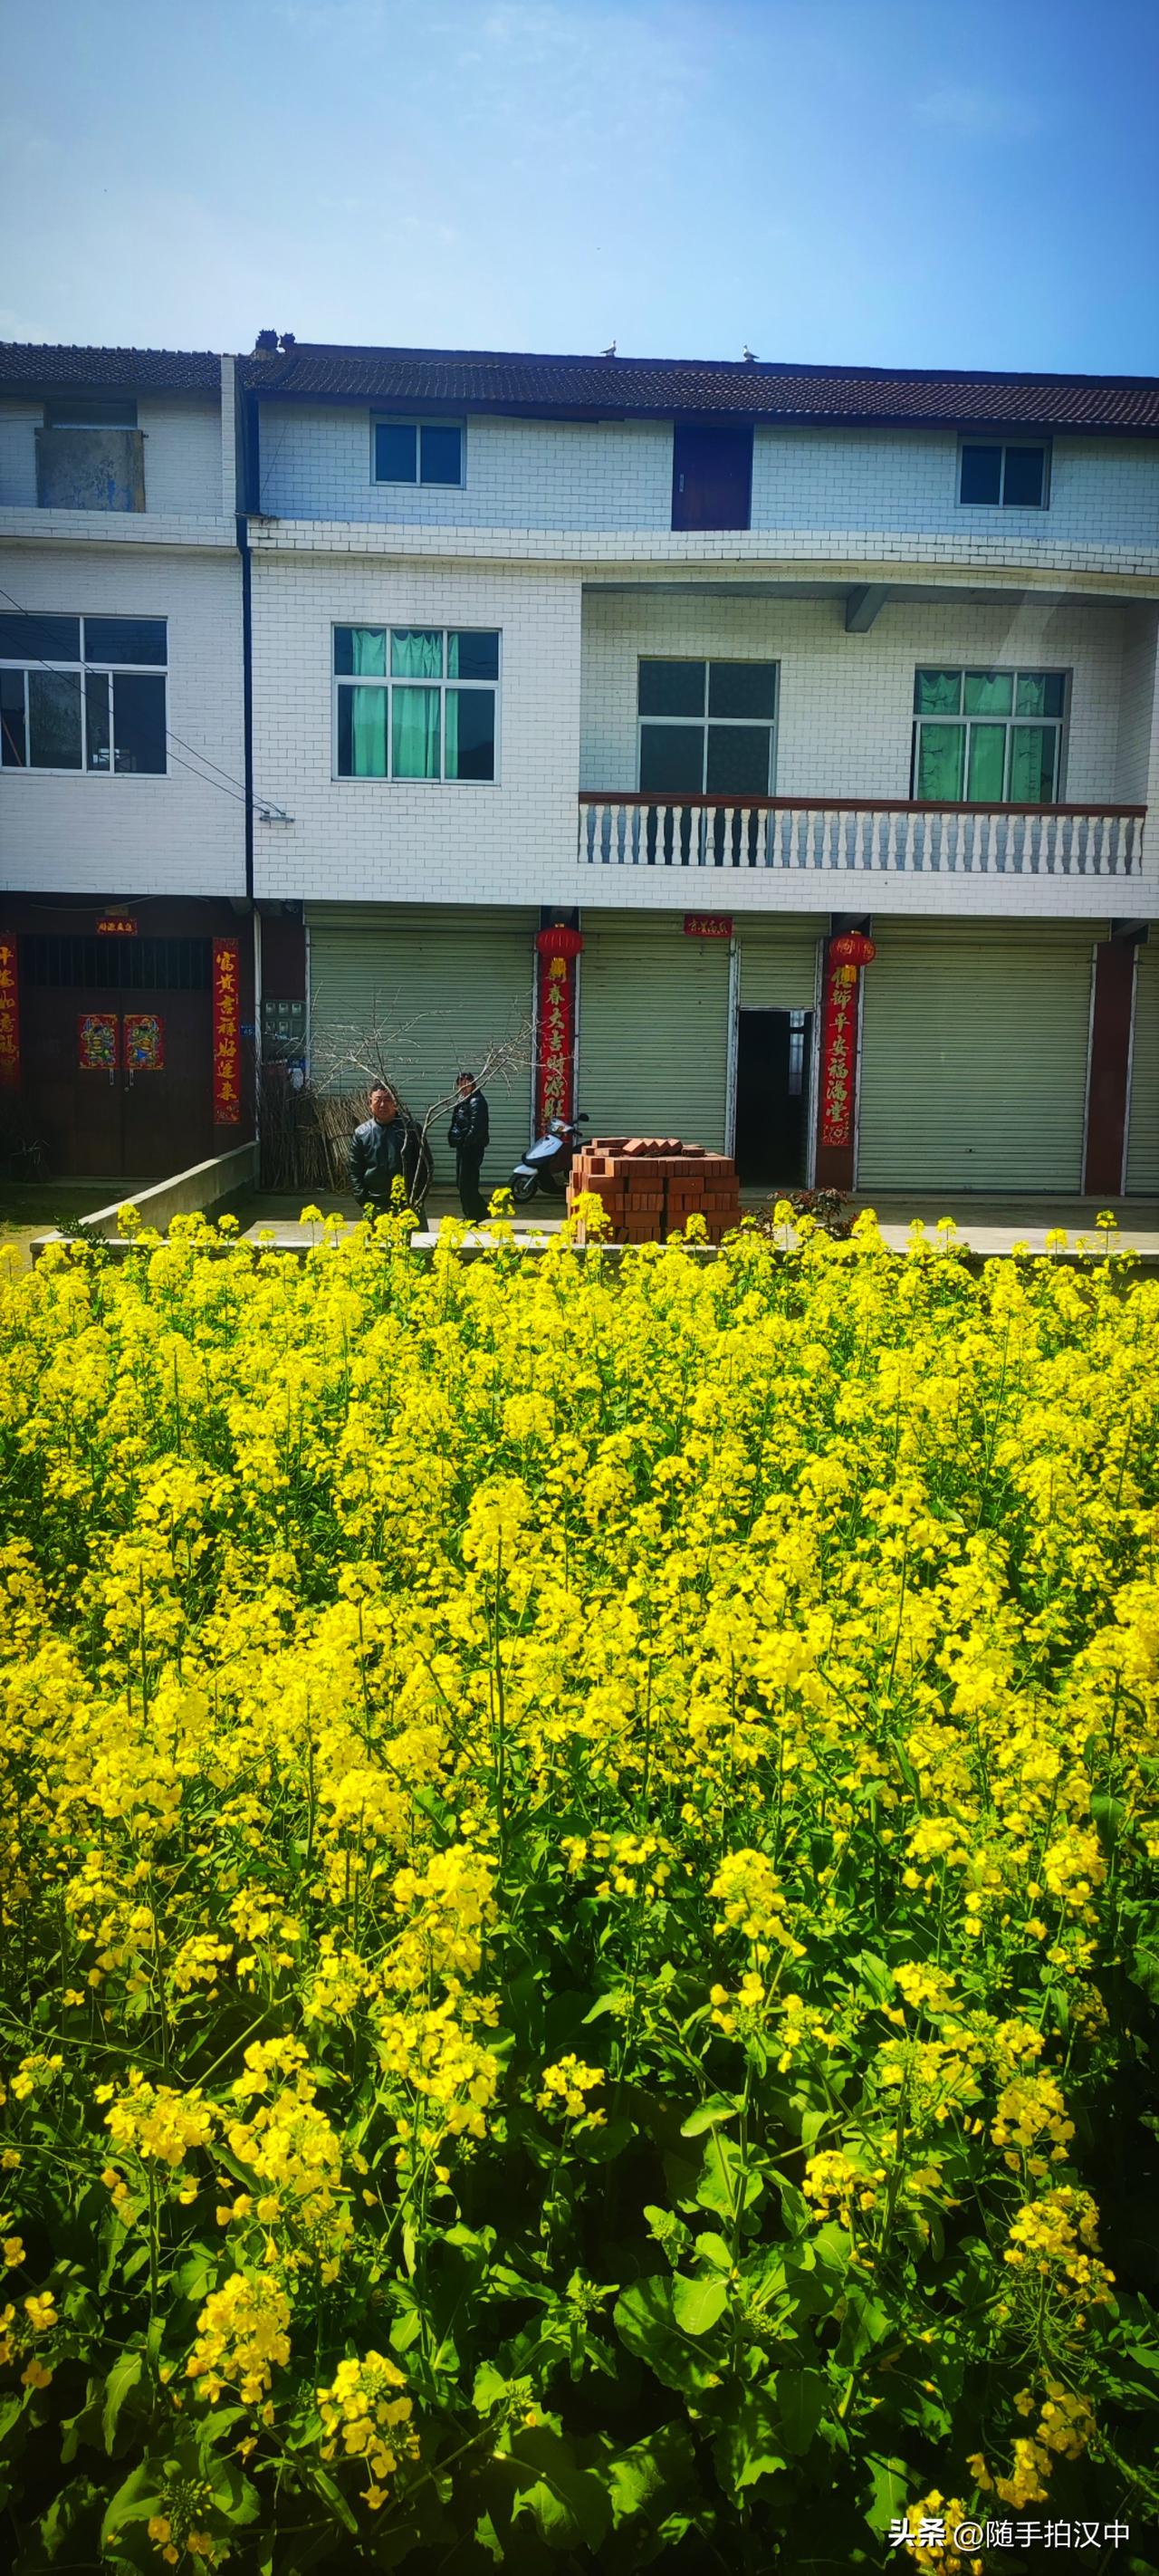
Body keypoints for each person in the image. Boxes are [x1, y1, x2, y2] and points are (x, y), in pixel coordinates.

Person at [349, 1084, 412, 1218]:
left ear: (395, 1103)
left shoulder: (411, 1130)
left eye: (388, 1100)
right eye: (378, 1100)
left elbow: (425, 1166)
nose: (383, 1105)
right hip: (374, 1203)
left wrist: (416, 1198)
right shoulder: (361, 1133)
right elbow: (355, 1170)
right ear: (370, 1103)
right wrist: (363, 1200)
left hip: (408, 1205)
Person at [448, 1071, 490, 1222]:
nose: (463, 1087)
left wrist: (466, 1141)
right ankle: (480, 1212)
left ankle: (473, 1216)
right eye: (460, 1084)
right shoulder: (463, 1099)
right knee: (462, 1183)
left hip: (472, 1148)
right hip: (463, 1147)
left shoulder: (476, 1101)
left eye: (467, 1084)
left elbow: (476, 1127)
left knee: (467, 1184)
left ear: (473, 1084)